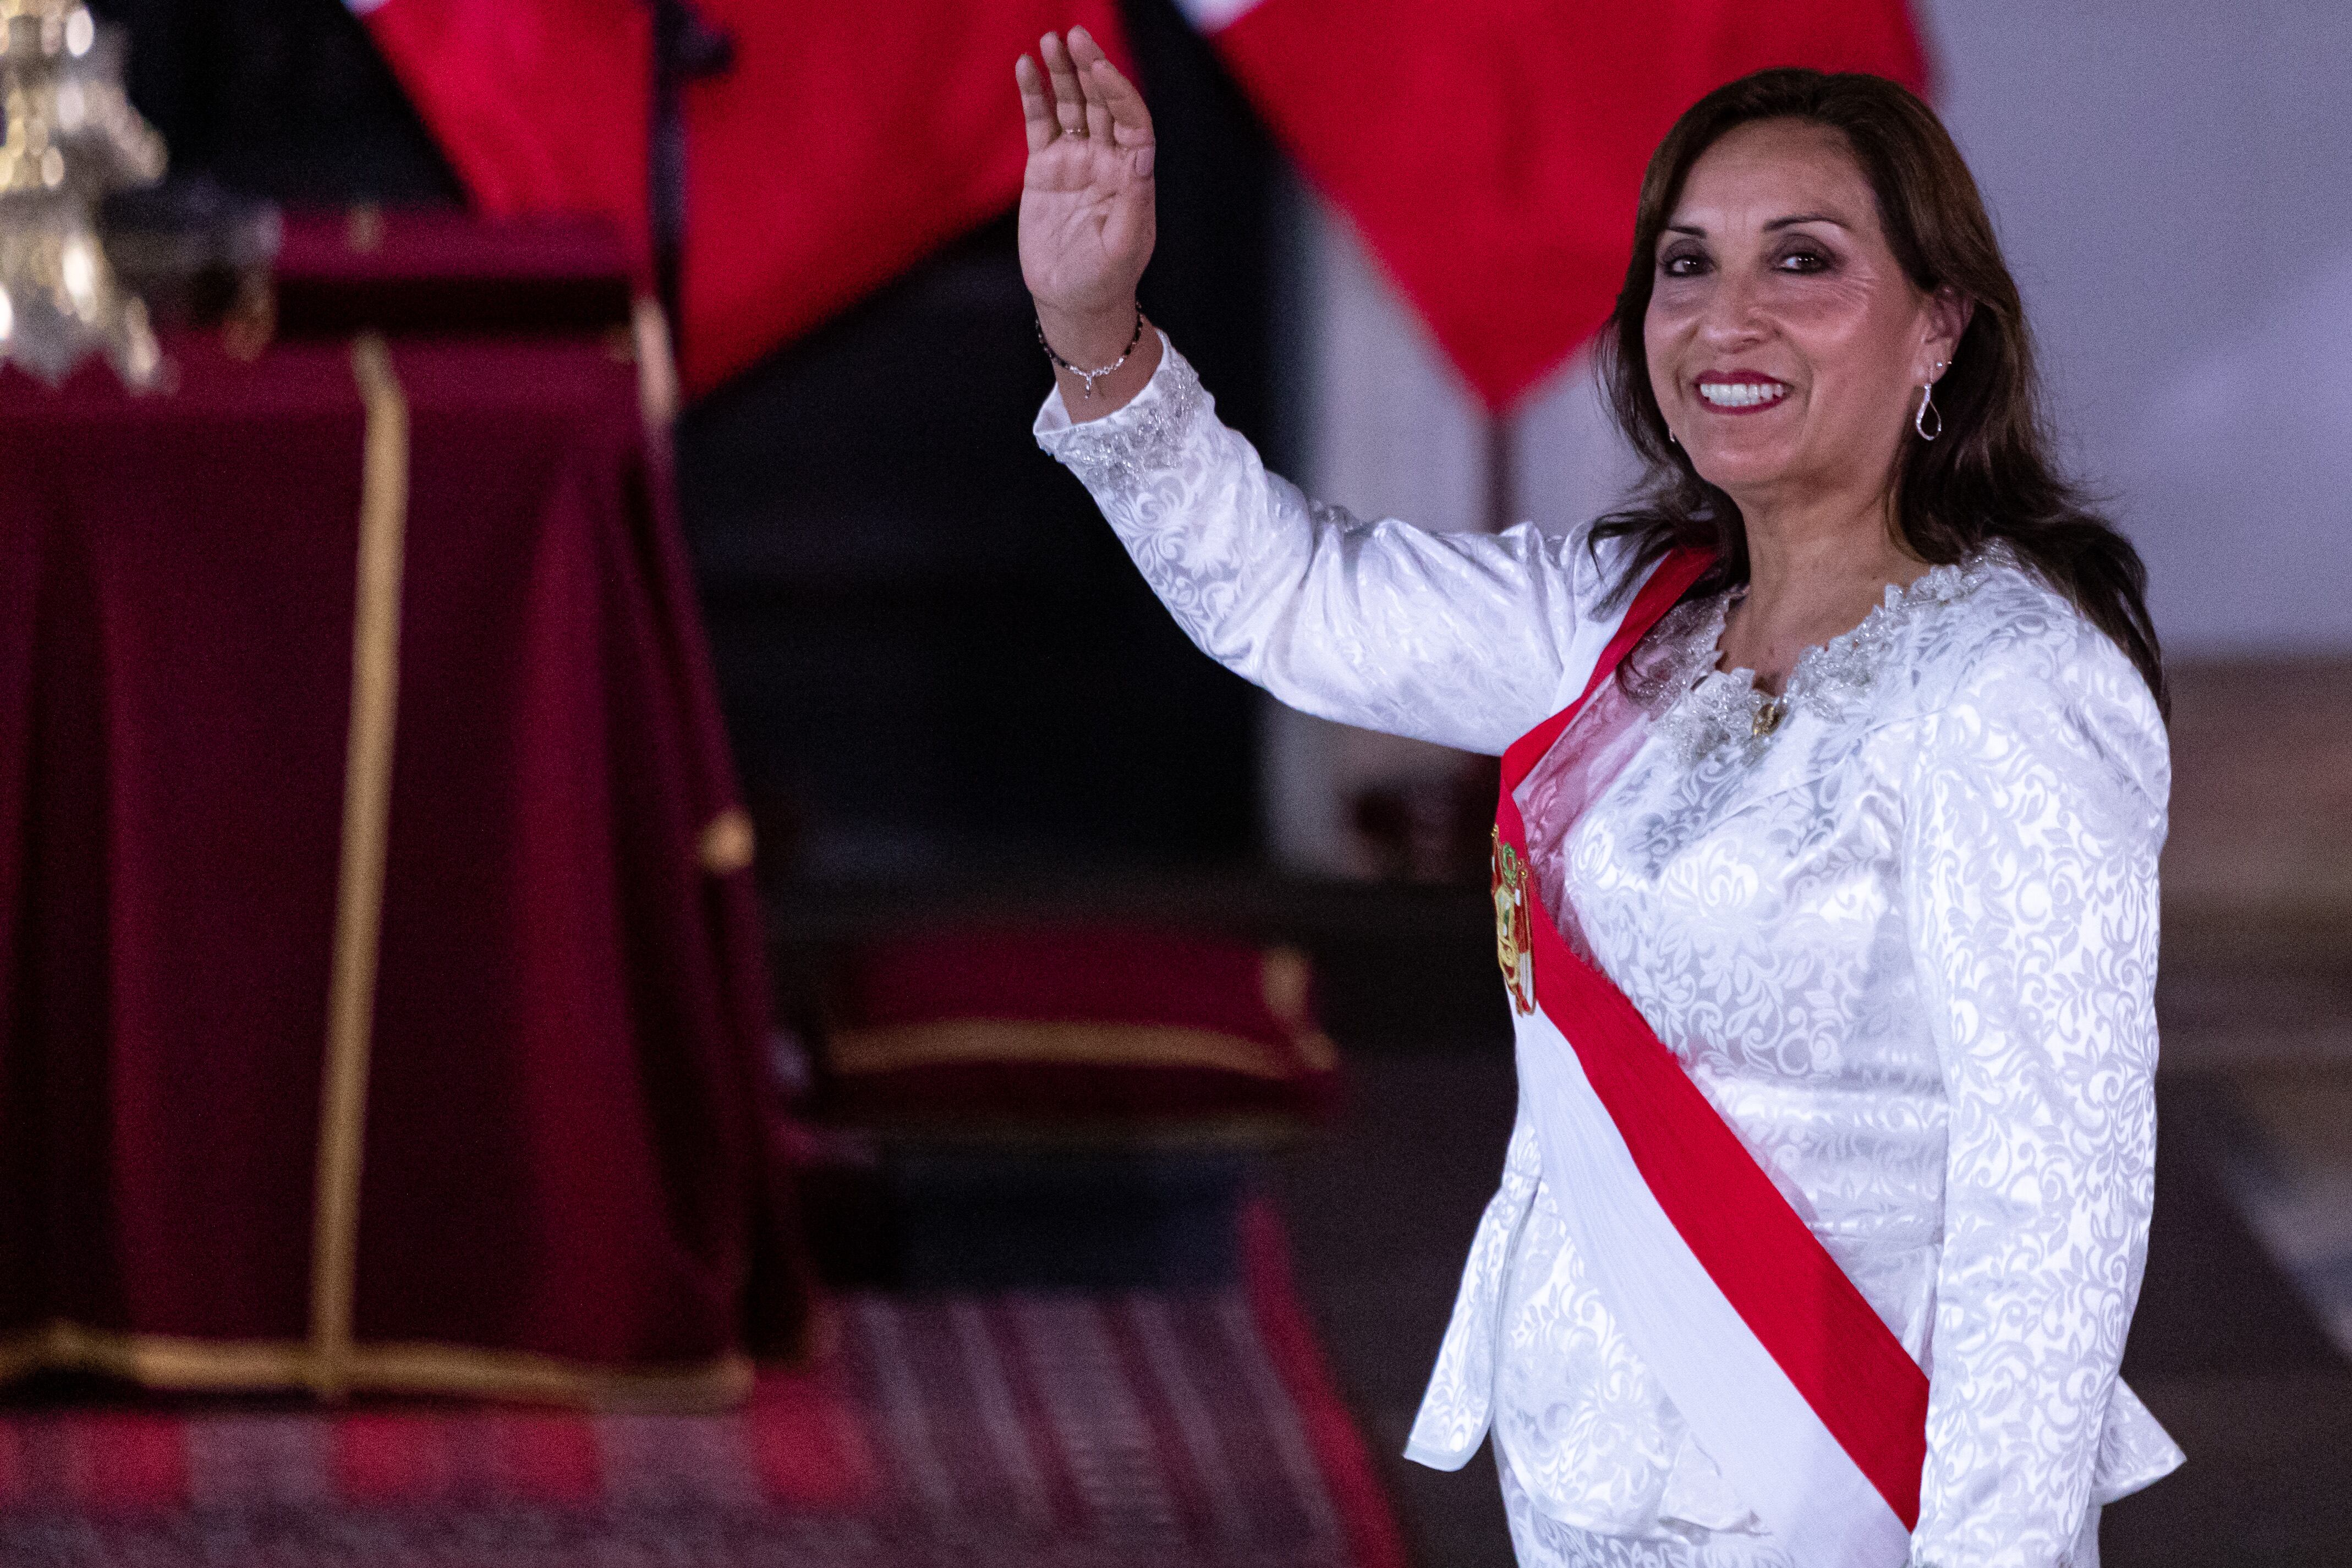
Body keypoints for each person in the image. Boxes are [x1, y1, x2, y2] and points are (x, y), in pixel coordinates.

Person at [1013, 30, 2183, 1567]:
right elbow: (1285, 597)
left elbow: (2057, 1205)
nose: (1723, 315)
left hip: (1847, 1481)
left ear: (1938, 332)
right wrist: (1095, 324)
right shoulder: (1620, 628)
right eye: (1684, 265)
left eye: (1803, 261)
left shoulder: (2009, 685)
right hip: (1582, 1463)